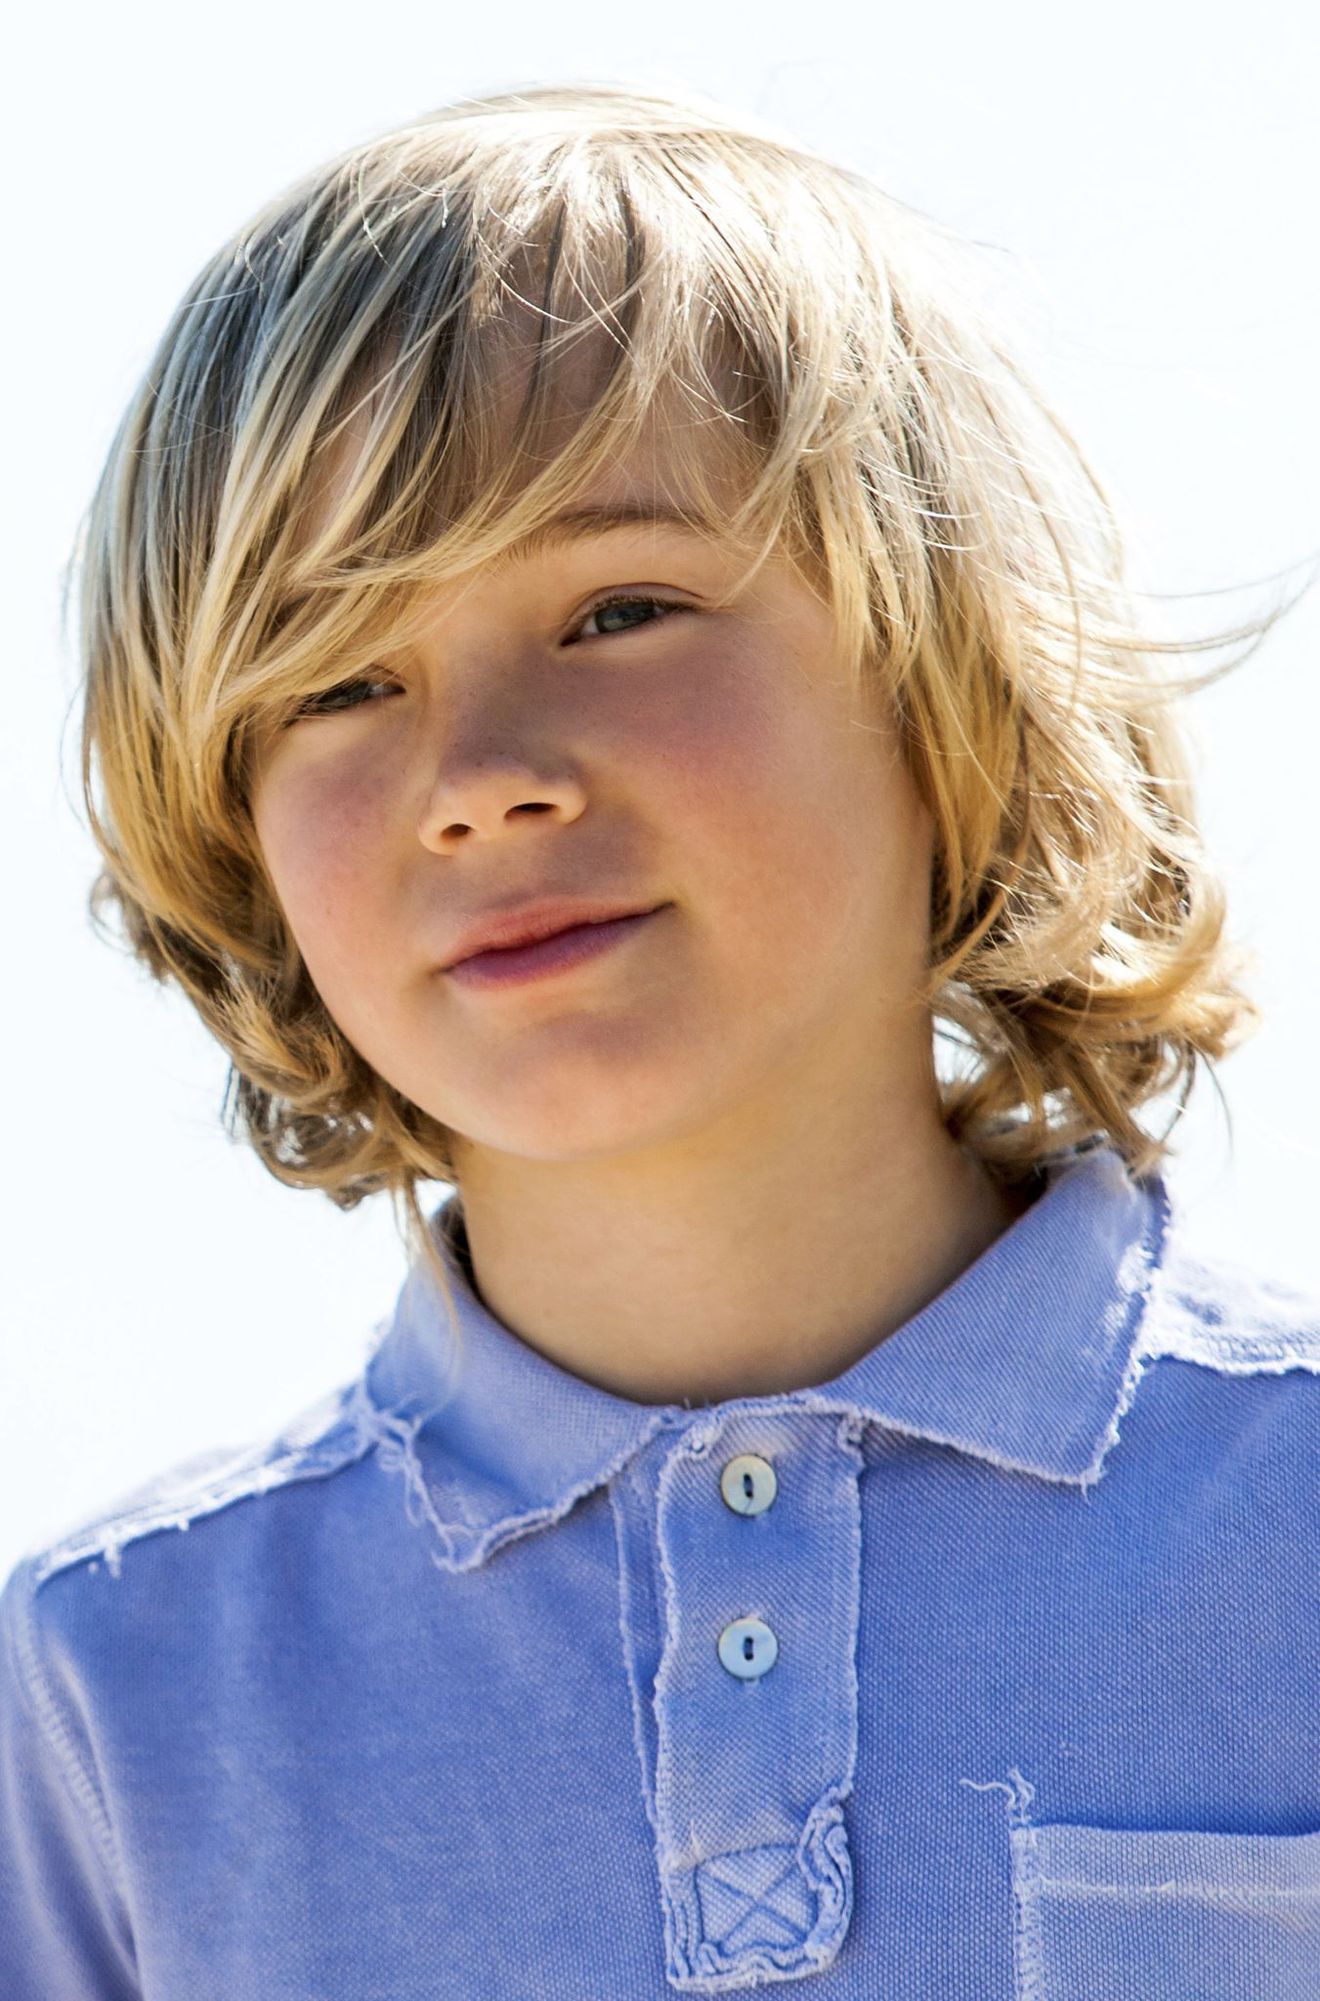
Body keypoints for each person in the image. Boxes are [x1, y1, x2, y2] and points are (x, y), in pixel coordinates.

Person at [2, 78, 1317, 2000]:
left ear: (940, 684)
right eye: (340, 680)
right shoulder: (118, 1688)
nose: (480, 780)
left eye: (618, 607)